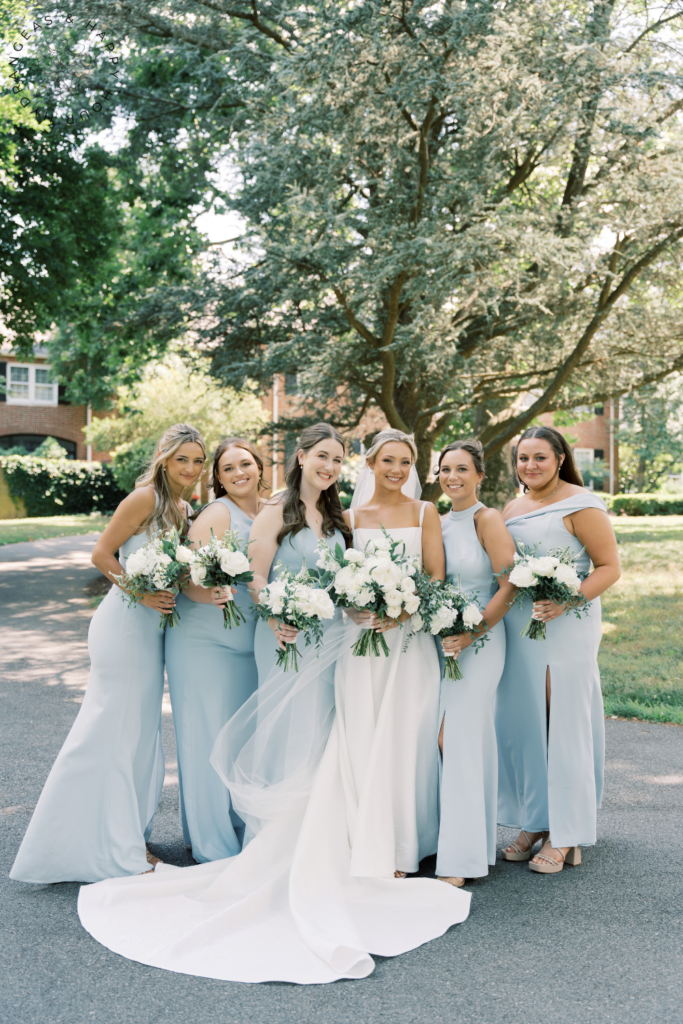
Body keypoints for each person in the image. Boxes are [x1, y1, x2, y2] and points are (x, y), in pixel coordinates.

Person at [77, 424, 470, 984]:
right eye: (321, 457)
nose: (329, 466)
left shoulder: (338, 519)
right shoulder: (275, 511)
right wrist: (277, 614)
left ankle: (331, 842)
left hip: (332, 640)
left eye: (337, 459)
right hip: (283, 635)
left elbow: (347, 580)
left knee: (328, 737)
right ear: (301, 458)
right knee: (291, 736)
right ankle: (277, 850)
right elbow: (255, 579)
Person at [10, 424, 206, 884]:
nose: (192, 469)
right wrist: (140, 593)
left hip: (153, 629)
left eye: (198, 461)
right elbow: (102, 554)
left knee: (137, 734)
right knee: (108, 726)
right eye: (183, 459)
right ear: (163, 456)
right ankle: (71, 842)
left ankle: (124, 835)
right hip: (123, 624)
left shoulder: (184, 508)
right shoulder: (144, 499)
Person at [496, 425, 620, 874]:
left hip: (566, 625)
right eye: (523, 458)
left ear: (560, 459)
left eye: (540, 458)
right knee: (527, 722)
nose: (530, 466)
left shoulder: (581, 505)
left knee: (562, 722)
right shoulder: (513, 506)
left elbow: (609, 568)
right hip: (521, 626)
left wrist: (567, 601)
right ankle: (535, 820)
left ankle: (567, 833)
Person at [336, 428, 446, 878]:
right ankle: (367, 838)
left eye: (405, 462)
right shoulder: (351, 517)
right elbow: (340, 579)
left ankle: (407, 843)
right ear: (370, 464)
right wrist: (356, 607)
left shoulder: (425, 512)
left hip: (411, 641)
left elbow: (435, 576)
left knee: (407, 735)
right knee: (363, 732)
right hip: (362, 647)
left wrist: (403, 612)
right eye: (388, 461)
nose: (397, 470)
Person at [165, 437, 266, 863]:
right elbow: (189, 580)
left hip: (249, 644)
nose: (239, 472)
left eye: (245, 463)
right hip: (204, 642)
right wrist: (214, 594)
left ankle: (240, 826)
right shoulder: (217, 514)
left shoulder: (271, 510)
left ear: (259, 467)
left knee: (241, 741)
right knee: (205, 739)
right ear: (219, 479)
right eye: (228, 468)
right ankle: (212, 842)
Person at [435, 439, 517, 887]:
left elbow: (509, 585)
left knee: (458, 737)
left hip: (481, 640)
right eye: (446, 469)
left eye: (462, 469)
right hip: (442, 641)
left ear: (480, 475)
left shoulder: (488, 519)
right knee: (445, 738)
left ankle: (462, 861)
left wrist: (474, 631)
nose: (453, 477)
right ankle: (463, 842)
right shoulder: (439, 521)